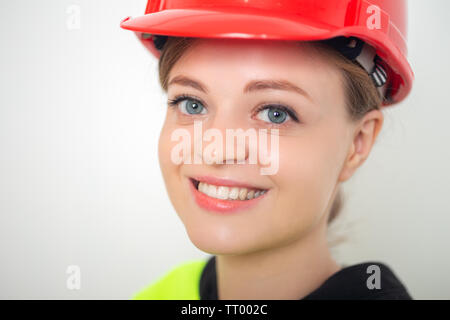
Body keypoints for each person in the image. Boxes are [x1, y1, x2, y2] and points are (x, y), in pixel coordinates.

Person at [120, 0, 414, 300]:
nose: (215, 151)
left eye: (276, 113)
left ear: (357, 143)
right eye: (191, 104)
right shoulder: (163, 293)